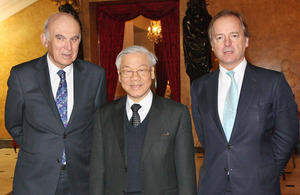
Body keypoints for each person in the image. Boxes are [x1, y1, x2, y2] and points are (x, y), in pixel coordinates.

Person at [191, 10, 299, 195]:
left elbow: (288, 133)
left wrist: (269, 169)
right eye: (219, 37)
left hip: (258, 186)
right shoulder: (199, 87)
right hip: (212, 185)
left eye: (234, 35)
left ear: (246, 40)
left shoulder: (273, 82)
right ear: (212, 45)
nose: (227, 43)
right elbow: (205, 136)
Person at [5, 12, 107, 195]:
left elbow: (98, 124)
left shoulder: (95, 75)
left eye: (74, 39)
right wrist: (39, 148)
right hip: (35, 176)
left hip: (82, 177)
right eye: (60, 38)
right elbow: (13, 123)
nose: (68, 47)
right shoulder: (22, 75)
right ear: (45, 40)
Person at [90, 45, 197, 195]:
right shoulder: (104, 115)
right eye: (127, 71)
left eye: (141, 70)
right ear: (119, 75)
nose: (135, 78)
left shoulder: (177, 114)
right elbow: (97, 171)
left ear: (152, 72)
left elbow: (186, 175)